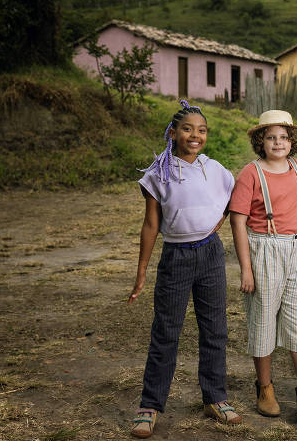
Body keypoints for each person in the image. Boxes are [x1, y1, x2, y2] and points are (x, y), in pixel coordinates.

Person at [128, 100, 240, 439]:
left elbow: (233, 200)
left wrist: (214, 225)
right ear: (173, 133)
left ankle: (215, 397)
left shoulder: (215, 169)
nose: (195, 135)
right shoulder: (158, 173)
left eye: (202, 130)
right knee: (166, 332)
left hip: (210, 255)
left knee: (215, 328)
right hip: (176, 257)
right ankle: (150, 405)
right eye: (188, 129)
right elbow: (150, 225)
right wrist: (142, 270)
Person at [228, 110, 297, 422]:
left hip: (295, 248)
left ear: (292, 142)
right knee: (264, 317)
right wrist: (246, 268)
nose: (278, 142)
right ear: (260, 141)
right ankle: (264, 387)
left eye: (284, 137)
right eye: (271, 137)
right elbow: (238, 222)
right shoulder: (250, 174)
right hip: (264, 248)